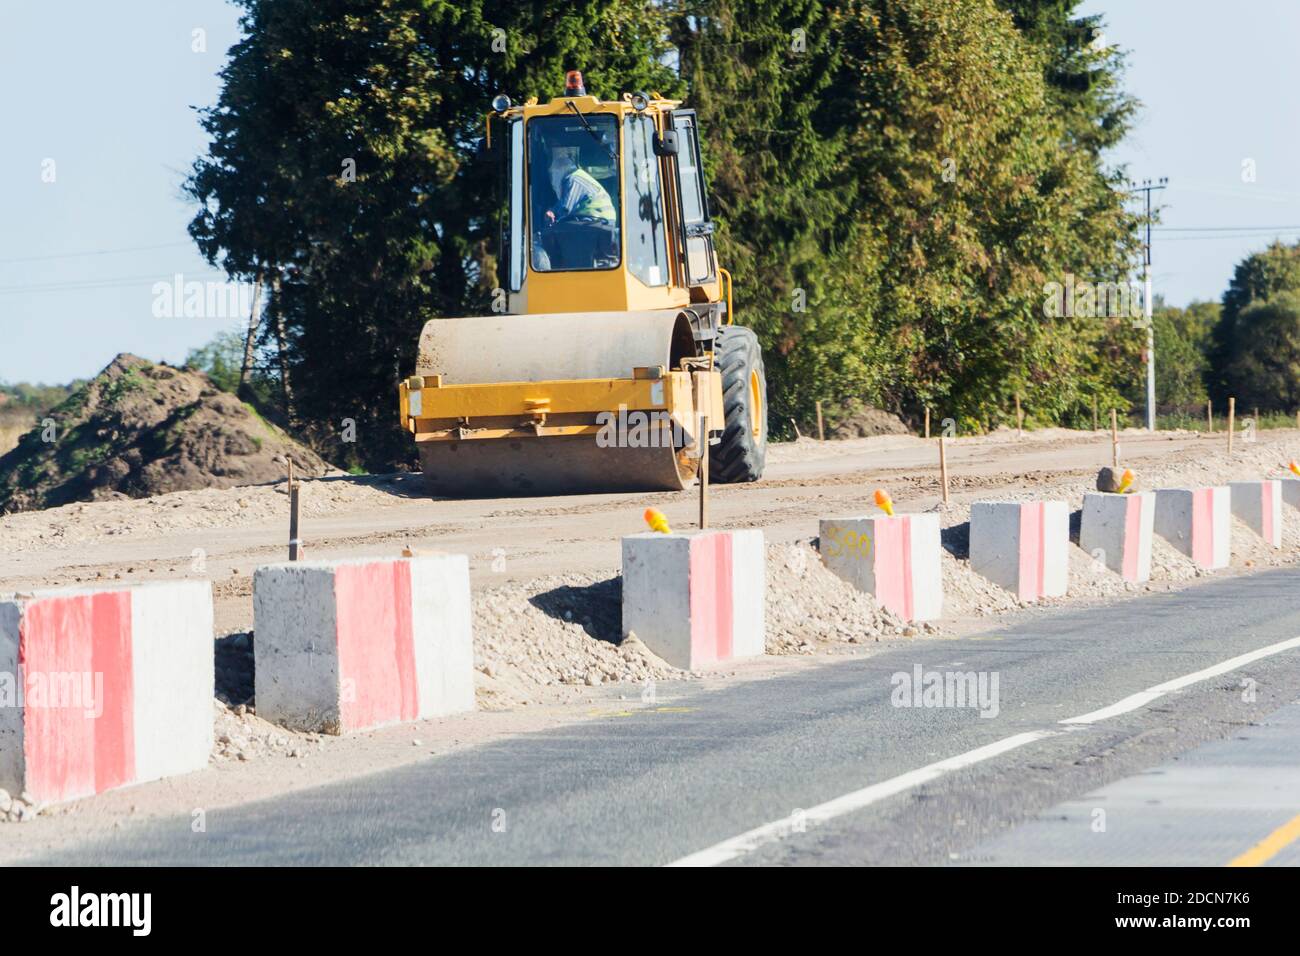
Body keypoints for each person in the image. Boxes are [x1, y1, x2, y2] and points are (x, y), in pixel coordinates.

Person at [545, 148, 616, 226]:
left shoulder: (574, 180)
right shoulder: (575, 177)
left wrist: (553, 214)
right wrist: (553, 210)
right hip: (598, 219)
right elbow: (563, 203)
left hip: (599, 219)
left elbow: (565, 208)